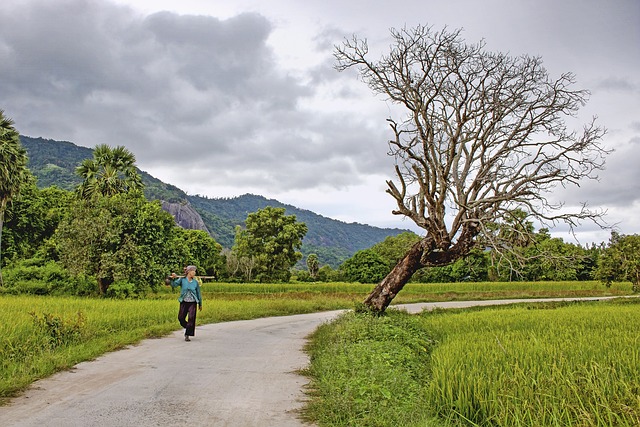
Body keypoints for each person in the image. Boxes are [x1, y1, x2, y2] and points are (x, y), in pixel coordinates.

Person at [167, 265, 202, 341]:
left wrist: (200, 304)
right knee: (181, 318)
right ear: (189, 272)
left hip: (192, 303)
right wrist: (172, 279)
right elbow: (174, 284)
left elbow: (198, 293)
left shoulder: (195, 282)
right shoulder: (182, 280)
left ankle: (187, 334)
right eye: (193, 271)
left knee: (191, 318)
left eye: (195, 271)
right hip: (184, 302)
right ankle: (188, 327)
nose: (194, 273)